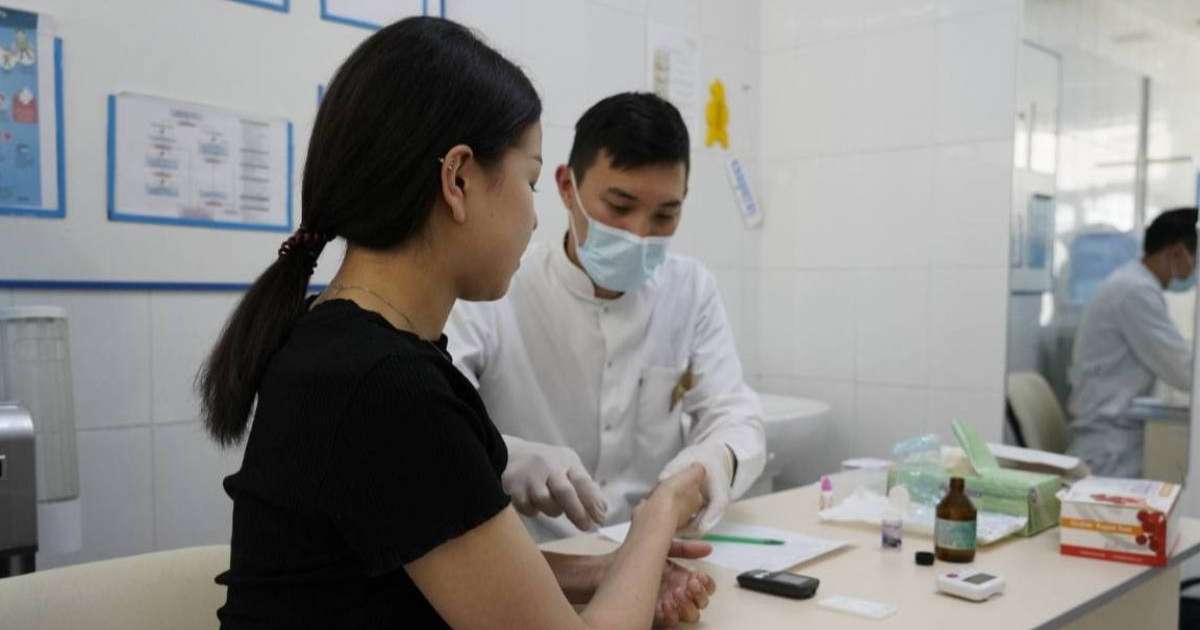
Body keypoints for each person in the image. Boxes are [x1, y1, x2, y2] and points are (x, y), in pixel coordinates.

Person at [200, 17, 716, 629]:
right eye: (529, 181)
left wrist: (612, 572)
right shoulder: (387, 388)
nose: (532, 220)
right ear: (459, 179)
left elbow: (430, 568)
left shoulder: (347, 346)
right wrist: (658, 516)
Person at [446, 92, 766, 541]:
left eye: (665, 214)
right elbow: (432, 419)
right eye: (618, 207)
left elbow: (733, 412)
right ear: (565, 186)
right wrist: (505, 455)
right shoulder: (497, 289)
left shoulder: (690, 290)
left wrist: (713, 459)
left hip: (650, 550)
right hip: (530, 561)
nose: (639, 233)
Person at [1068, 207, 1198, 477]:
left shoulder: (1136, 283)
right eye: (1195, 260)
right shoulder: (1135, 292)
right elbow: (1185, 371)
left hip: (1115, 437)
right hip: (1109, 448)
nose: (1194, 270)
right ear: (1175, 253)